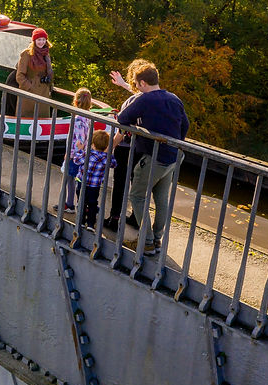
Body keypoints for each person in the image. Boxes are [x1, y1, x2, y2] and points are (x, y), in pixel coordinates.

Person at [116, 60, 189, 255]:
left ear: (141, 83)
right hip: (174, 156)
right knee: (161, 198)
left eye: (136, 84)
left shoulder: (144, 99)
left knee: (137, 196)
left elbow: (122, 119)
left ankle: (146, 242)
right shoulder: (174, 99)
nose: (137, 88)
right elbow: (185, 126)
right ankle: (157, 240)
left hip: (154, 157)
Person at [103, 60, 147, 231]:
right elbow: (140, 93)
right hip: (143, 149)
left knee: (120, 183)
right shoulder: (153, 99)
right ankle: (137, 218)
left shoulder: (130, 103)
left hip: (126, 148)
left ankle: (115, 219)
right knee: (138, 184)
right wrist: (123, 84)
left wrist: (109, 148)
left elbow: (122, 132)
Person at [56, 88, 93, 213]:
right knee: (74, 180)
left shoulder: (78, 119)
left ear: (76, 102)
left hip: (75, 156)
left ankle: (70, 204)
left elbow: (79, 142)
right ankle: (72, 203)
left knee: (69, 179)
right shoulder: (88, 117)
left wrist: (71, 154)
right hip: (83, 156)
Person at [71, 130, 117, 229]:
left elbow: (76, 160)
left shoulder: (87, 154)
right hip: (95, 186)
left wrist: (80, 149)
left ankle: (81, 222)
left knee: (81, 202)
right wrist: (109, 153)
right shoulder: (107, 158)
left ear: (92, 144)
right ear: (106, 146)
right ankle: (91, 224)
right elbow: (114, 164)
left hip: (81, 183)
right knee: (92, 203)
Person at [14, 28, 53, 118]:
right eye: (39, 40)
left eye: (43, 40)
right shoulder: (27, 54)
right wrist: (30, 87)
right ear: (34, 40)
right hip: (29, 95)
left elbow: (49, 72)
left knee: (42, 120)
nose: (41, 42)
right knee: (27, 120)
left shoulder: (46, 53)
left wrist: (50, 87)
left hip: (44, 92)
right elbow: (19, 76)